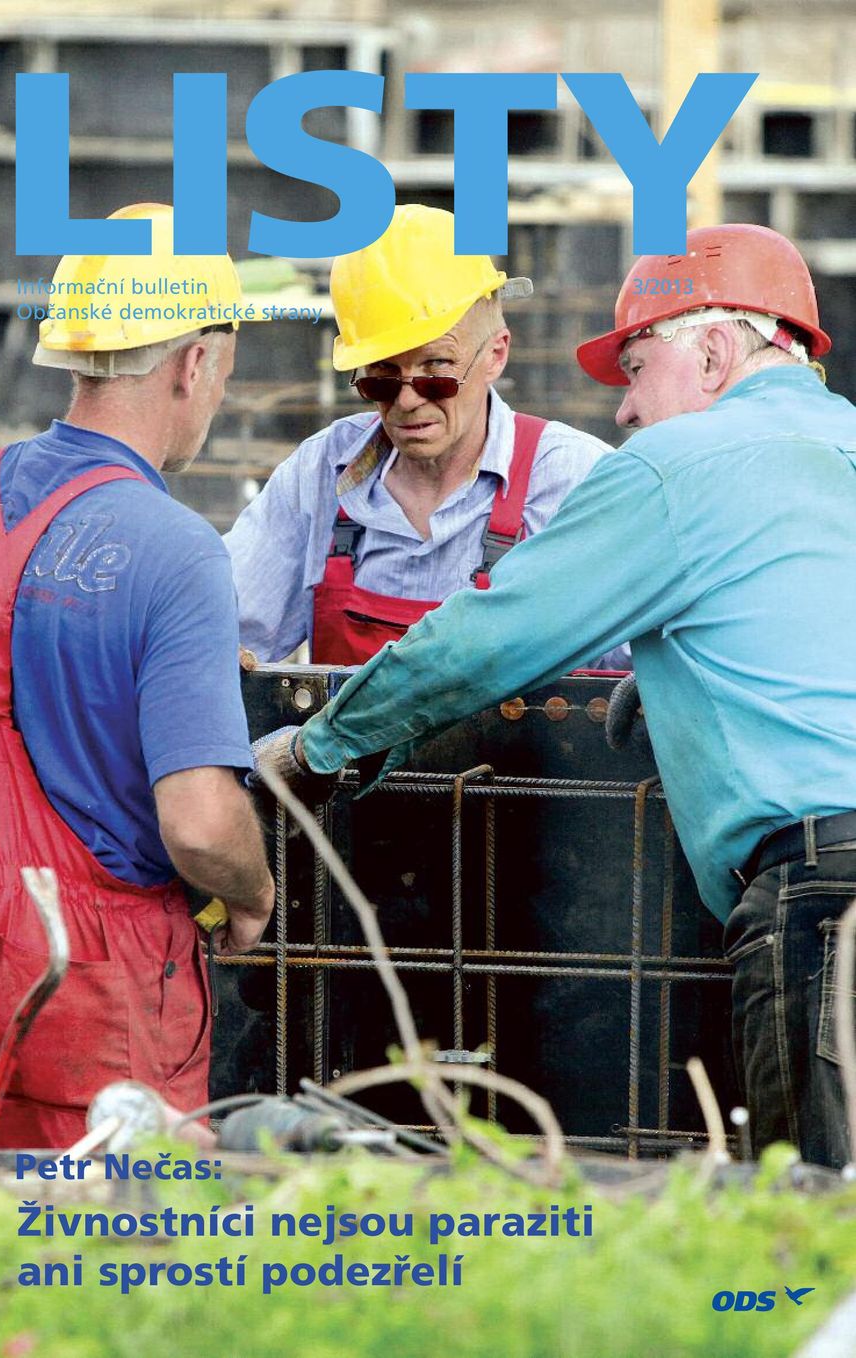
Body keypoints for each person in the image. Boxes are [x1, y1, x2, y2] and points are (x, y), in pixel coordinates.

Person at [259, 223, 856, 1170]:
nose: (621, 411)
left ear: (712, 350)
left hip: (824, 900)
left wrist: (313, 750)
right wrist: (674, 681)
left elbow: (480, 643)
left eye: (634, 366)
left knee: (825, 1232)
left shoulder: (675, 467)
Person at [0, 203, 274, 1148]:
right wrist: (255, 893)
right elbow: (196, 820)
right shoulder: (180, 548)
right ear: (197, 361)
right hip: (97, 957)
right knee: (122, 1241)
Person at [225, 204, 629, 670]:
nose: (407, 401)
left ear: (496, 354)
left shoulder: (575, 484)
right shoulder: (321, 474)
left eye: (436, 372)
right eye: (381, 377)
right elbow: (221, 635)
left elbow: (642, 683)